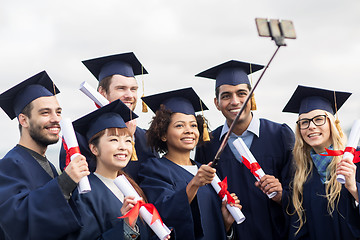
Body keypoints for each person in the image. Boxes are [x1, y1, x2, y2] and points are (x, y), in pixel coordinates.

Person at [194, 60, 295, 240]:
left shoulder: (280, 135)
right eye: (226, 96)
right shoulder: (208, 145)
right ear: (216, 103)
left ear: (251, 97)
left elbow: (299, 191)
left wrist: (282, 195)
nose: (235, 101)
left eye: (241, 93)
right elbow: (206, 201)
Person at [139, 87, 242, 240]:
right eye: (179, 125)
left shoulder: (208, 173)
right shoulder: (153, 169)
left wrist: (226, 224)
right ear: (163, 134)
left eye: (193, 125)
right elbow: (162, 215)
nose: (189, 130)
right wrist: (194, 184)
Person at [0, 71, 89, 239]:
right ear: (23, 120)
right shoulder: (8, 165)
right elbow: (15, 223)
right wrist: (65, 182)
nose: (56, 119)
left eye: (58, 112)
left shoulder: (48, 165)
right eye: (45, 113)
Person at [60, 52, 159, 183]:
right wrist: (126, 137)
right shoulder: (77, 137)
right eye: (121, 88)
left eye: (133, 89)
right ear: (102, 92)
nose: (130, 95)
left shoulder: (146, 138)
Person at [67, 99, 157, 240]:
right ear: (94, 148)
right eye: (114, 140)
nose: (123, 146)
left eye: (128, 140)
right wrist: (126, 227)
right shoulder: (85, 193)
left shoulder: (131, 187)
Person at [282, 85, 360, 240]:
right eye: (304, 122)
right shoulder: (301, 173)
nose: (311, 126)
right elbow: (299, 230)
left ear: (332, 123)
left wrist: (353, 187)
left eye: (319, 119)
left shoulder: (356, 159)